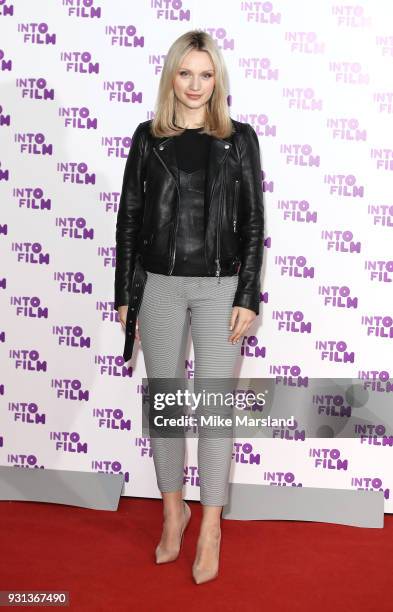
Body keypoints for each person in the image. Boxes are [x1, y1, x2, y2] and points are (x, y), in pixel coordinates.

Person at [114, 29, 264, 584]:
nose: (196, 84)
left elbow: (253, 225)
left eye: (206, 74)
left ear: (216, 80)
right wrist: (126, 294)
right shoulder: (147, 138)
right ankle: (172, 511)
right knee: (167, 405)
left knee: (215, 412)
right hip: (159, 283)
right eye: (186, 73)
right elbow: (128, 219)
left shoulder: (239, 140)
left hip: (221, 288)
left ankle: (210, 526)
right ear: (171, 77)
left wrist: (248, 294)